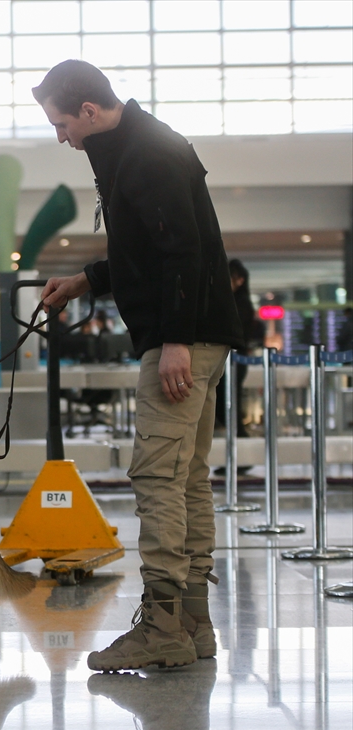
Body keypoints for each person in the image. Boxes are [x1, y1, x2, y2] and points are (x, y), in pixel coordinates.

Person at [33, 60, 243, 672]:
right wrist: (83, 281)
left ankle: (162, 625)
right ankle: (193, 622)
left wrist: (174, 338)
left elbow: (183, 251)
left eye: (62, 124)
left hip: (183, 340)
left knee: (155, 478)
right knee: (187, 479)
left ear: (90, 113)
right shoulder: (139, 148)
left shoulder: (146, 155)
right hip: (199, 335)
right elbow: (146, 250)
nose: (62, 136)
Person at [214, 259, 263, 436]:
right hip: (229, 360)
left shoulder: (240, 306)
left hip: (233, 361)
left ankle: (242, 452)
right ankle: (239, 455)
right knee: (224, 406)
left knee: (228, 405)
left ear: (239, 280)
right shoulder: (237, 303)